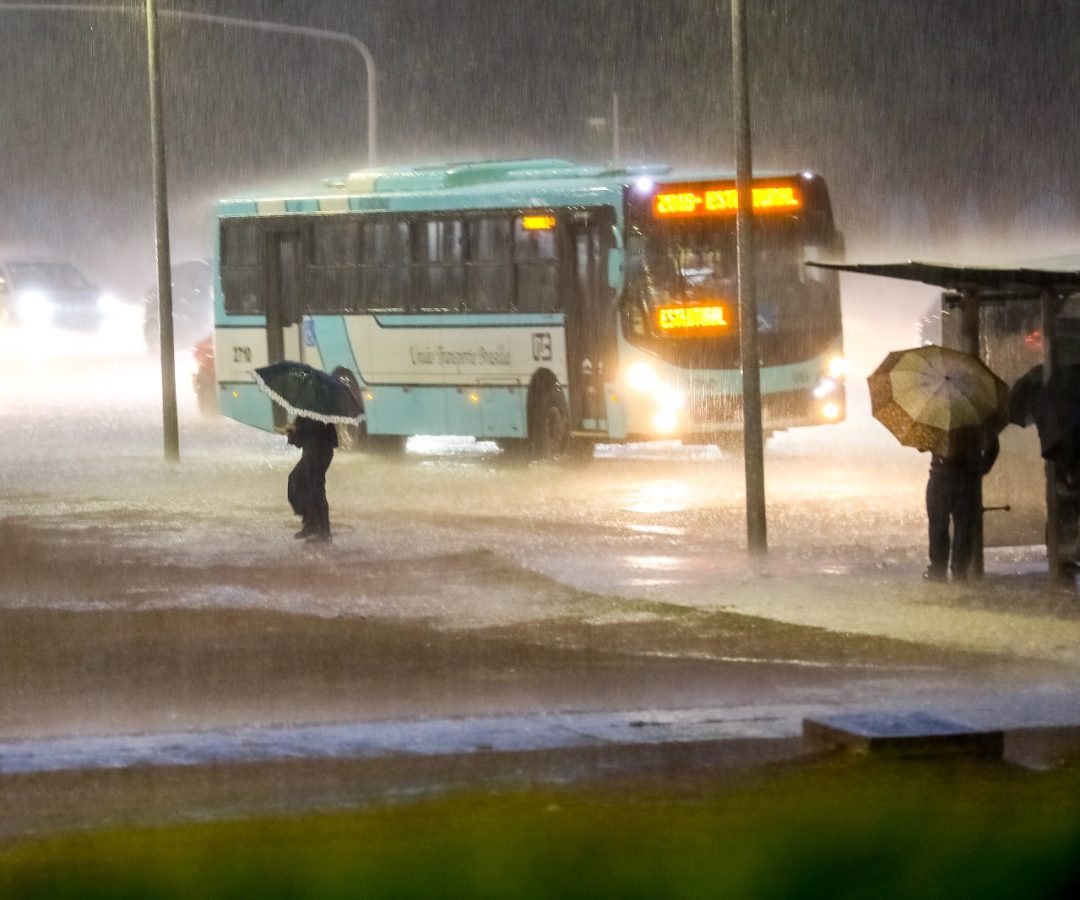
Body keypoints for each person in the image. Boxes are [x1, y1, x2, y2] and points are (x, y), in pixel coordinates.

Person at [924, 427, 999, 582]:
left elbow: (922, 444)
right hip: (964, 479)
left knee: (941, 527)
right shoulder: (977, 418)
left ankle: (939, 571)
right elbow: (993, 447)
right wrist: (981, 469)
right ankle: (957, 572)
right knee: (962, 529)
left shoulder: (938, 415)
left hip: (943, 477)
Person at [286, 416, 338, 542]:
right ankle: (315, 524)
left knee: (303, 484)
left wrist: (290, 431)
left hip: (314, 453)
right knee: (312, 487)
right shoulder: (323, 410)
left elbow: (298, 441)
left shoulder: (306, 412)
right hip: (324, 452)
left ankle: (319, 527)